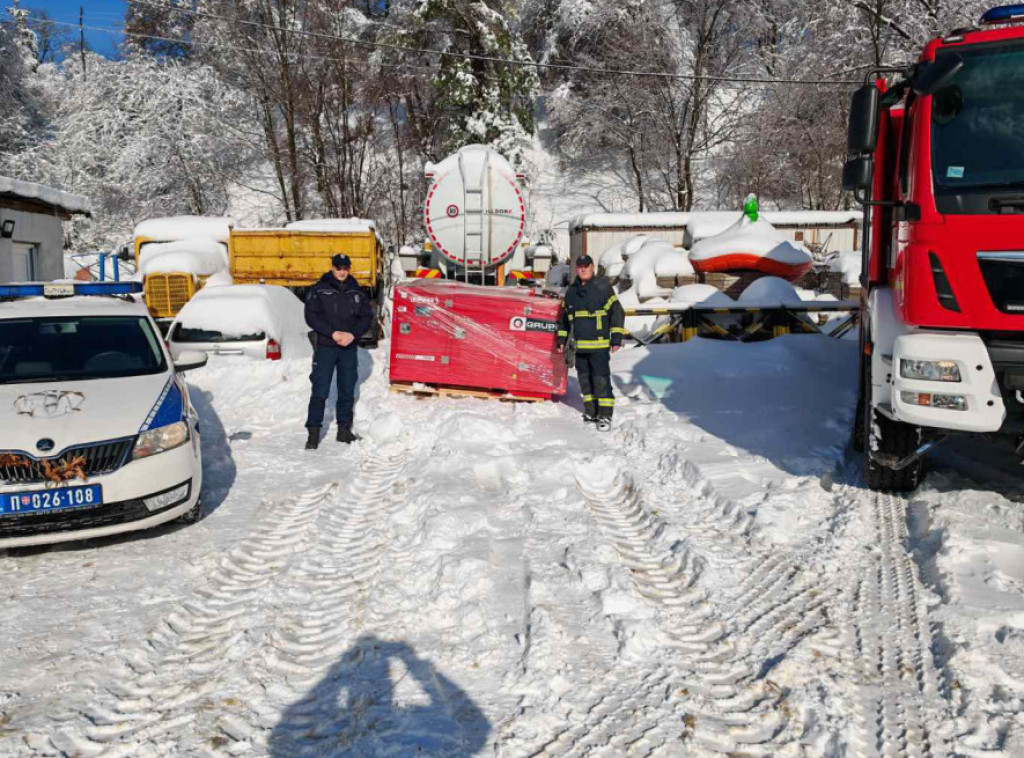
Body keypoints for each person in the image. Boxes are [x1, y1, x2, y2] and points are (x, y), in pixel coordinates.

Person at [303, 254, 374, 449]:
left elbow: (366, 317)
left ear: (349, 268)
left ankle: (344, 430)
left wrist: (353, 334)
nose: (342, 271)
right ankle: (313, 432)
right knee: (320, 389)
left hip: (348, 348)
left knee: (347, 389)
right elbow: (311, 316)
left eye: (345, 268)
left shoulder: (357, 292)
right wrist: (331, 333)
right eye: (338, 267)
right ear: (332, 267)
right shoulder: (319, 290)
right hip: (326, 346)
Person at [556, 254, 625, 432]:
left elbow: (617, 312)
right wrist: (561, 340)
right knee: (585, 381)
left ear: (592, 267)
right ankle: (591, 412)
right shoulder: (572, 291)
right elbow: (564, 319)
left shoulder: (603, 287)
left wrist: (616, 339)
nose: (583, 269)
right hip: (580, 347)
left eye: (586, 266)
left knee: (600, 381)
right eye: (580, 266)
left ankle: (605, 416)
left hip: (599, 346)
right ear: (576, 269)